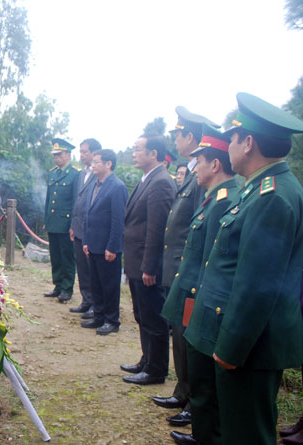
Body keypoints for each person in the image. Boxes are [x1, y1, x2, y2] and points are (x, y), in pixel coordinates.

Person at [184, 92, 303, 445]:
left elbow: (257, 286)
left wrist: (231, 347)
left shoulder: (273, 196)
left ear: (248, 143)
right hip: (246, 341)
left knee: (246, 434)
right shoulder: (262, 189)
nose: (228, 146)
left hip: (250, 347)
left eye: (232, 138)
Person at [161, 123, 238, 445]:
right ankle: (202, 431)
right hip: (194, 293)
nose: (195, 166)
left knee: (205, 376)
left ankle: (206, 433)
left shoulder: (223, 200)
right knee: (196, 368)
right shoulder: (213, 197)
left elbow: (211, 262)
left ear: (214, 164)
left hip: (203, 298)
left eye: (200, 160)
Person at [154, 107, 220, 428]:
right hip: (180, 273)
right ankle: (183, 391)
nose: (175, 140)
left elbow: (199, 231)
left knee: (186, 337)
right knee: (178, 337)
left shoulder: (202, 177)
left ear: (190, 137)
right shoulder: (192, 172)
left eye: (177, 134)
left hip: (189, 275)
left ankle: (193, 401)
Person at [121, 134, 176, 385]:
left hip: (147, 264)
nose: (134, 153)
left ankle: (156, 369)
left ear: (154, 154)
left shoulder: (161, 181)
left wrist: (150, 266)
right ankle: (147, 359)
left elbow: (157, 228)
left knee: (154, 318)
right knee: (141, 314)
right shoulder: (148, 179)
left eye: (138, 149)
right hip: (136, 261)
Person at [80, 149, 128, 335]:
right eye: (92, 162)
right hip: (93, 244)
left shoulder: (117, 187)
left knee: (109, 285)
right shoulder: (94, 184)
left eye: (97, 162)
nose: (93, 165)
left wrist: (113, 246)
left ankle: (111, 320)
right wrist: (86, 240)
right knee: (96, 283)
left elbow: (118, 221)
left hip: (107, 247)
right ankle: (98, 316)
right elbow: (88, 214)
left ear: (108, 164)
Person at [43, 138, 80, 303]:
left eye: (59, 154)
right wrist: (46, 219)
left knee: (67, 257)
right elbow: (48, 199)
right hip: (53, 222)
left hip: (65, 224)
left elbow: (75, 203)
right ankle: (57, 285)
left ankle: (67, 288)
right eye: (54, 155)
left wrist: (73, 224)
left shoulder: (75, 175)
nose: (56, 158)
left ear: (68, 154)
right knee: (55, 256)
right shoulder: (52, 173)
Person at [70, 138, 102, 316]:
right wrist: (73, 226)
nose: (82, 155)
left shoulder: (100, 174)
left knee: (92, 270)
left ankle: (95, 304)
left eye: (85, 152)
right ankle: (86, 300)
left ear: (95, 153)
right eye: (81, 152)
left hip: (92, 230)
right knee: (81, 267)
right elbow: (77, 201)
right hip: (79, 228)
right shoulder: (82, 174)